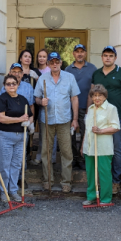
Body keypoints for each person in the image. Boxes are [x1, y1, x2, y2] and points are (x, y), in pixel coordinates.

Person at [34, 52, 80, 192]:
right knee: (46, 151)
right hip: (47, 120)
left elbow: (74, 98)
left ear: (61, 63)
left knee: (66, 151)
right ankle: (48, 180)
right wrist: (41, 101)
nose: (54, 64)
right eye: (52, 62)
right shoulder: (42, 78)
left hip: (64, 119)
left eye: (57, 61)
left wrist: (75, 119)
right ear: (48, 64)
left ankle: (66, 181)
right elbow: (36, 98)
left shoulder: (69, 77)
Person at [90, 45, 121, 194]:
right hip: (99, 117)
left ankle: (115, 182)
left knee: (116, 150)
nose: (108, 58)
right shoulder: (96, 74)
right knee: (100, 149)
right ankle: (101, 181)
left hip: (116, 117)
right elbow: (92, 94)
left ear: (115, 57)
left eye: (111, 55)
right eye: (105, 55)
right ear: (102, 57)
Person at [0, 74, 34, 202]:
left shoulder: (23, 99)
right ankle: (4, 191)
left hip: (21, 136)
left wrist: (28, 122)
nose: (11, 86)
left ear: (18, 85)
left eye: (14, 83)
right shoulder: (1, 99)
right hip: (5, 136)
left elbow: (30, 115)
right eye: (8, 84)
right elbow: (1, 118)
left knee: (17, 164)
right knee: (4, 165)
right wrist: (19, 119)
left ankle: (13, 190)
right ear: (4, 86)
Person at [81, 85, 120, 206]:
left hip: (103, 147)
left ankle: (105, 198)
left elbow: (116, 127)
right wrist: (83, 146)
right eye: (94, 95)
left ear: (104, 97)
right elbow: (87, 129)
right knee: (91, 173)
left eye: (100, 95)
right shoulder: (91, 108)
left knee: (104, 173)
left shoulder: (111, 108)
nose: (97, 98)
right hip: (89, 146)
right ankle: (91, 196)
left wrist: (101, 131)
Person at [65, 44, 97, 171]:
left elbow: (94, 88)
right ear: (73, 54)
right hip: (70, 108)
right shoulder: (68, 69)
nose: (79, 54)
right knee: (70, 135)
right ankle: (73, 158)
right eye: (77, 52)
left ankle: (83, 158)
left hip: (86, 107)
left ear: (85, 53)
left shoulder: (92, 68)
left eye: (82, 52)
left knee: (86, 133)